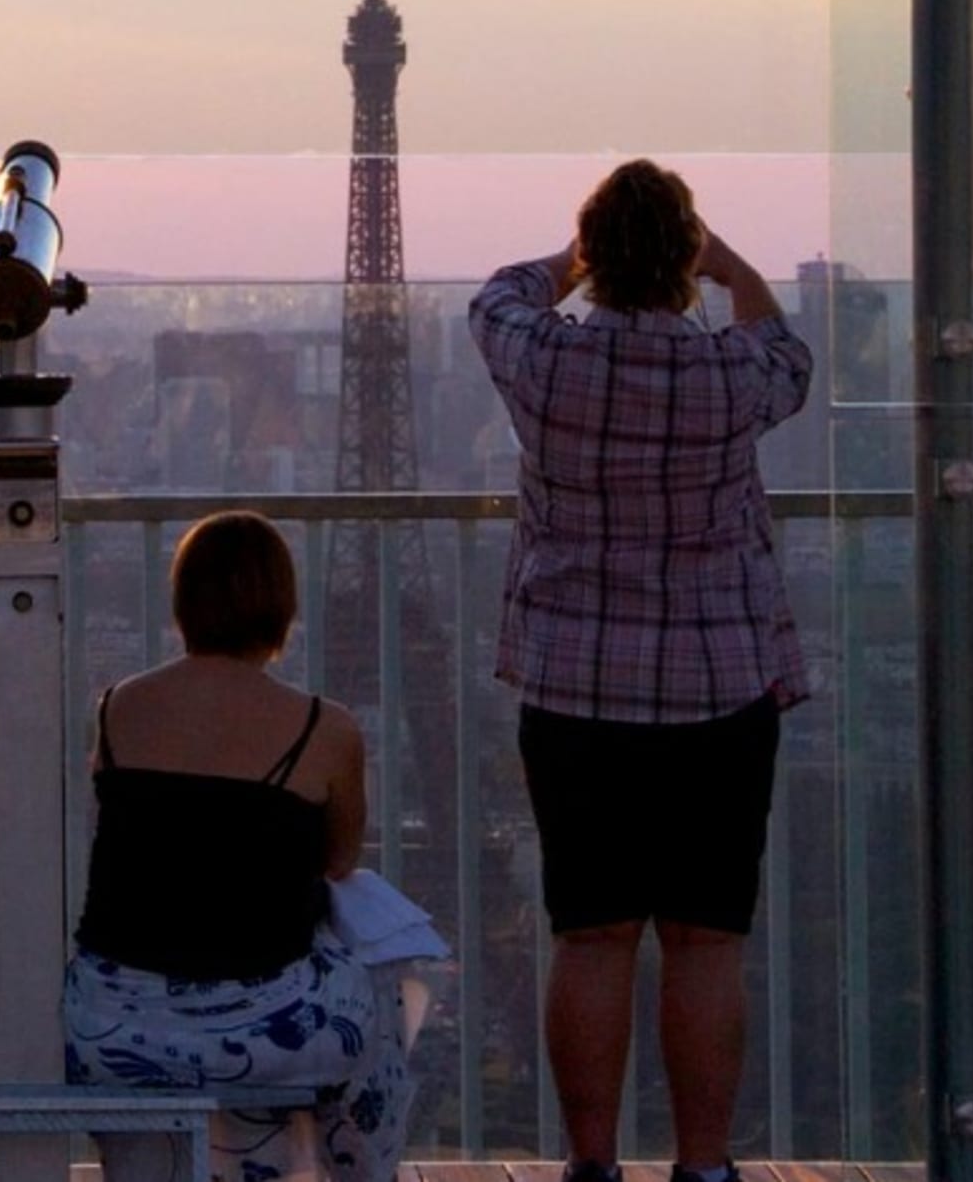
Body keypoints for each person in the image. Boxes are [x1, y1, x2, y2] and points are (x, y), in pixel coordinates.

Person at [468, 158, 813, 1182]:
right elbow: (782, 339)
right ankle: (704, 1167)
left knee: (593, 933)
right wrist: (722, 258)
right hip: (720, 683)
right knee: (706, 940)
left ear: (597, 258)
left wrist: (574, 257)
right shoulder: (730, 374)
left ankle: (590, 1161)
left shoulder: (544, 360)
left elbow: (499, 294)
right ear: (682, 262)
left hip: (575, 687)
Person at [62, 511, 412, 1182]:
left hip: (110, 1022)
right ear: (280, 602)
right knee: (378, 994)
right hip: (256, 1030)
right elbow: (340, 861)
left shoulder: (118, 708)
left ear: (184, 600)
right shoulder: (324, 727)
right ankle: (355, 1169)